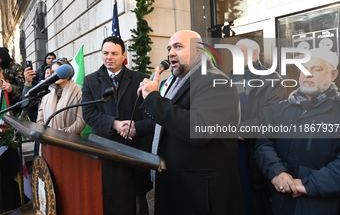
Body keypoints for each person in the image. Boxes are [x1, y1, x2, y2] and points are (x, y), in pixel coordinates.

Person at [130, 30, 243, 214]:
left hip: (200, 195)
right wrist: (135, 126)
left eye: (178, 47)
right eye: (169, 48)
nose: (171, 53)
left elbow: (197, 129)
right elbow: (169, 122)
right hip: (176, 185)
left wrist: (153, 97)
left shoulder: (215, 82)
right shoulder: (177, 82)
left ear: (199, 51)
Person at [255, 48, 340, 215]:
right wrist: (277, 173)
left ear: (333, 75)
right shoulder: (280, 109)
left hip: (322, 206)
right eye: (303, 69)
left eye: (317, 69)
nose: (308, 74)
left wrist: (308, 185)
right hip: (281, 202)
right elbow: (263, 143)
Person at [82, 36, 152, 215]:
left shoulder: (141, 79)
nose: (109, 57)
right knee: (107, 202)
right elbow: (88, 113)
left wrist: (135, 128)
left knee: (138, 206)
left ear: (123, 56)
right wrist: (115, 124)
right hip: (104, 152)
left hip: (134, 152)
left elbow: (150, 116)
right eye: (105, 53)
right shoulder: (90, 81)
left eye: (114, 53)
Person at [230, 39, 286, 215]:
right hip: (231, 149)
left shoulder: (273, 79)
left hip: (256, 152)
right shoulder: (230, 76)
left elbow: (270, 117)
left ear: (255, 53)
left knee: (255, 203)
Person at [36, 58, 85, 134]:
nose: (55, 74)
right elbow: (40, 120)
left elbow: (80, 123)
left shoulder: (79, 92)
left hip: (69, 142)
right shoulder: (47, 93)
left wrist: (61, 135)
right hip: (47, 141)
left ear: (67, 72)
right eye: (53, 72)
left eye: (59, 71)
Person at [0, 47, 25, 116]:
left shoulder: (16, 68)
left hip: (15, 103)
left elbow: (22, 87)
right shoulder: (1, 67)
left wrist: (11, 88)